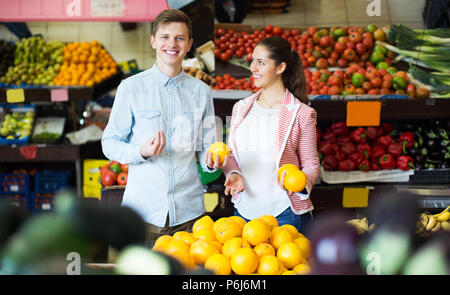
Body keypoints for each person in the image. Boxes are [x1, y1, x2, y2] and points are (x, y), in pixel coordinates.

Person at [101, 9, 218, 247]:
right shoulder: (131, 88)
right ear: (153, 40)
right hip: (143, 214)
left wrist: (212, 160)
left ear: (189, 44)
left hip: (190, 215)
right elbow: (109, 143)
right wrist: (140, 151)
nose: (171, 44)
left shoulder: (202, 92)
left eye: (179, 38)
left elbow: (207, 147)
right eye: (165, 37)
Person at [208, 36, 320, 235]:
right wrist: (234, 174)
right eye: (252, 61)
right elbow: (232, 155)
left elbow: (311, 164)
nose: (252, 68)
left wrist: (301, 184)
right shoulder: (241, 108)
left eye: (261, 62)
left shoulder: (301, 113)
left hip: (286, 213)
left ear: (280, 67)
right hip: (243, 211)